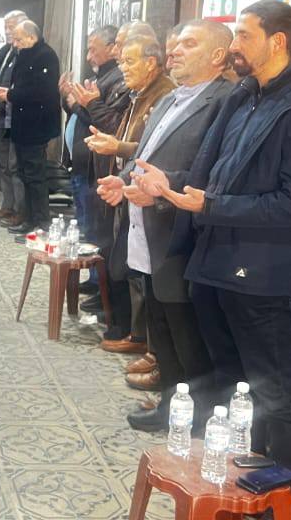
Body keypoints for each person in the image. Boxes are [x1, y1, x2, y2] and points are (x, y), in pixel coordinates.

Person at [133, 0, 291, 498]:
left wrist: (210, 204)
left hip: (263, 270)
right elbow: (213, 175)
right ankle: (239, 480)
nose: (234, 45)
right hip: (216, 259)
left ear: (278, 41)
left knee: (275, 389)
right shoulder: (246, 94)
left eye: (245, 35)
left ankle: (282, 499)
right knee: (233, 380)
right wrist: (169, 186)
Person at [94, 20, 234, 430]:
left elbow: (213, 172)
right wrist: (123, 181)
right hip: (149, 232)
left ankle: (198, 419)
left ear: (217, 55)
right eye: (176, 44)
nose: (175, 51)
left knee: (187, 336)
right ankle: (171, 407)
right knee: (162, 330)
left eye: (189, 44)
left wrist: (160, 191)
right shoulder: (173, 96)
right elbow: (148, 154)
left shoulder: (225, 102)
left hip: (182, 236)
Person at [86, 23, 175, 355]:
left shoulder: (165, 94)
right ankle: (136, 333)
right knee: (124, 262)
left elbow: (151, 148)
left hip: (149, 194)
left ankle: (143, 340)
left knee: (139, 269)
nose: (122, 68)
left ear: (151, 63)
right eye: (121, 61)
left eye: (129, 61)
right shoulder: (140, 93)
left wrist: (118, 147)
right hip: (126, 184)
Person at [55, 24, 129, 297]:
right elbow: (81, 115)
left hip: (96, 167)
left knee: (97, 231)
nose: (88, 57)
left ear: (111, 48)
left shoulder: (118, 80)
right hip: (82, 164)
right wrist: (68, 99)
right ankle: (94, 278)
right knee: (86, 227)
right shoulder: (101, 77)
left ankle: (102, 286)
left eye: (93, 50)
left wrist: (78, 103)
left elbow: (102, 123)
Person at [0, 19, 59, 234]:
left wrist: (10, 95)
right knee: (23, 173)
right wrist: (9, 93)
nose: (15, 43)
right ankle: (28, 219)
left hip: (36, 125)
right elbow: (20, 85)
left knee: (35, 176)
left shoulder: (46, 56)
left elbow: (41, 91)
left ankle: (42, 221)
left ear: (32, 37)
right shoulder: (23, 55)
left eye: (19, 39)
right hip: (20, 124)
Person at [0, 9, 27, 224]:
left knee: (16, 166)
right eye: (6, 28)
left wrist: (2, 101)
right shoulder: (3, 52)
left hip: (17, 118)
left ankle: (20, 210)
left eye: (11, 27)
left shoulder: (26, 54)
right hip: (1, 117)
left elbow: (22, 89)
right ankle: (7, 206)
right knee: (4, 165)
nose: (8, 32)